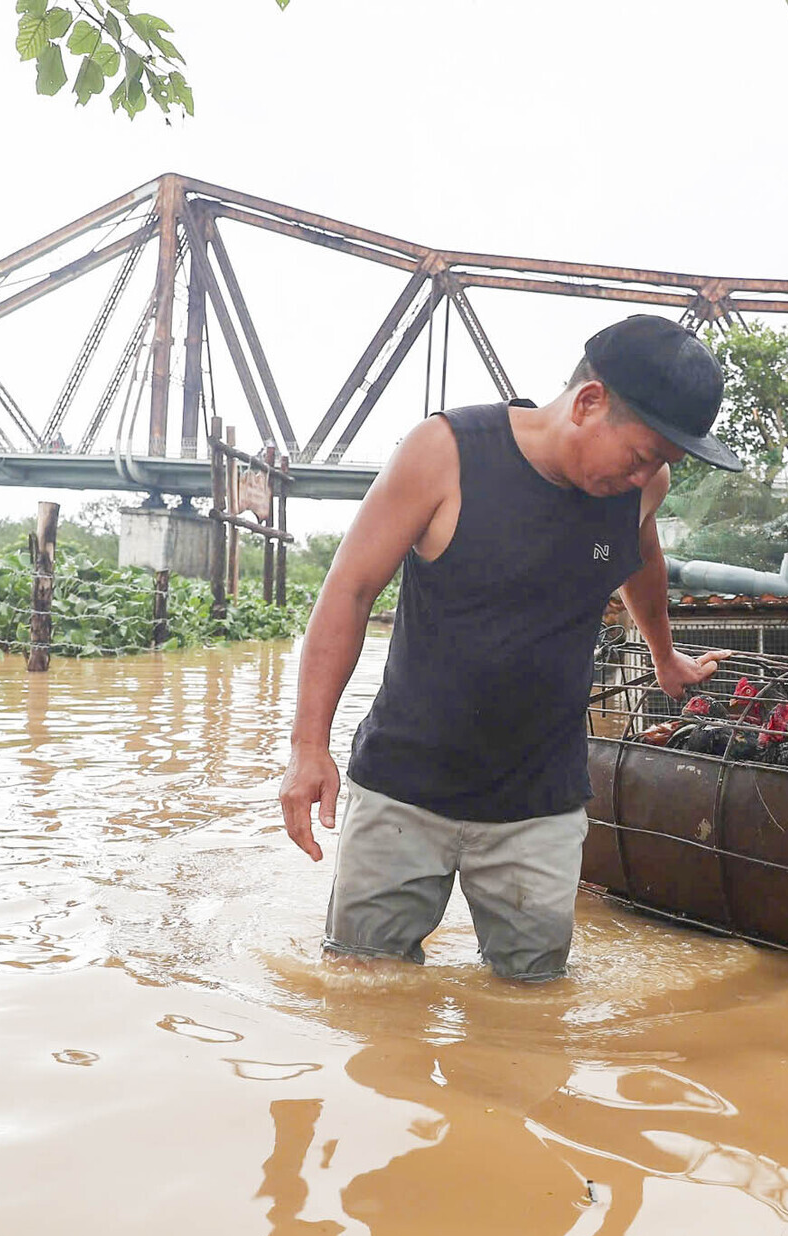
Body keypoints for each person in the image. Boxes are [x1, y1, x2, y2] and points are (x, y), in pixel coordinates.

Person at [279, 314, 742, 980]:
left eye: (660, 465)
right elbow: (349, 591)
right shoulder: (446, 453)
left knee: (532, 998)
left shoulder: (643, 488)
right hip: (405, 789)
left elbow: (642, 556)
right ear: (588, 403)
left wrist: (663, 656)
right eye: (641, 456)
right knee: (364, 986)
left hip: (539, 803)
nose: (647, 477)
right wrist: (308, 746)